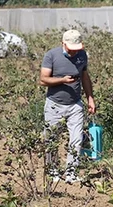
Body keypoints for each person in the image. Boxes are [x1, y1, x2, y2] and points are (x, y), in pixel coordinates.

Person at [39, 29, 96, 184]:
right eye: (71, 48)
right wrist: (62, 80)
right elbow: (43, 80)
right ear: (63, 43)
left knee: (76, 140)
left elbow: (85, 77)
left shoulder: (82, 55)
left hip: (75, 104)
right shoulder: (51, 55)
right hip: (54, 105)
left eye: (76, 48)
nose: (73, 52)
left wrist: (90, 98)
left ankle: (71, 173)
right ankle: (52, 171)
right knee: (51, 139)